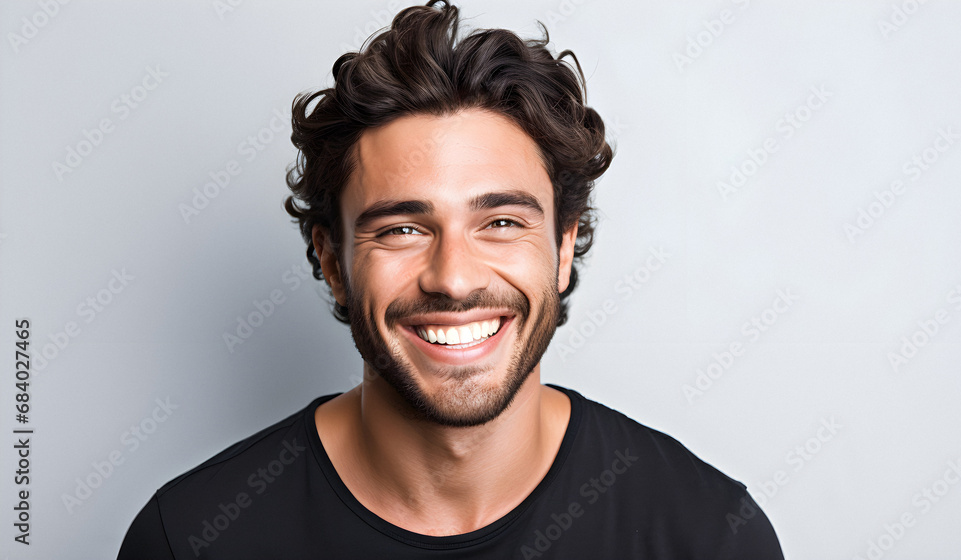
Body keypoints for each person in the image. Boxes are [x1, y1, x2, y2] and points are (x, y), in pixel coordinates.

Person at [118, 2, 784, 558]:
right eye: (403, 229)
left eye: (499, 222)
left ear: (562, 245)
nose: (454, 279)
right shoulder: (191, 540)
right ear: (331, 260)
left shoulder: (708, 538)